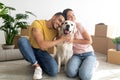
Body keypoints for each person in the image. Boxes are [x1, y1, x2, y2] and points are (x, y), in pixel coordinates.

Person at [18, 12, 71, 80]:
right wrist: (61, 39)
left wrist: (67, 35)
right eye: (59, 20)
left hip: (41, 52)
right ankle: (37, 66)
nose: (60, 24)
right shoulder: (38, 23)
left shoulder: (56, 31)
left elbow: (59, 43)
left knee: (53, 71)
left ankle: (35, 60)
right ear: (54, 17)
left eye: (62, 23)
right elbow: (42, 45)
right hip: (30, 49)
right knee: (22, 40)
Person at [63, 8, 97, 80]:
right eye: (69, 16)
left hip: (88, 53)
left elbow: (89, 41)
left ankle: (93, 63)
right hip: (76, 55)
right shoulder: (65, 28)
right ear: (65, 18)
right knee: (70, 73)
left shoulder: (79, 25)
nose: (72, 17)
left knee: (84, 77)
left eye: (73, 15)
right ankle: (83, 65)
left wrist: (73, 40)